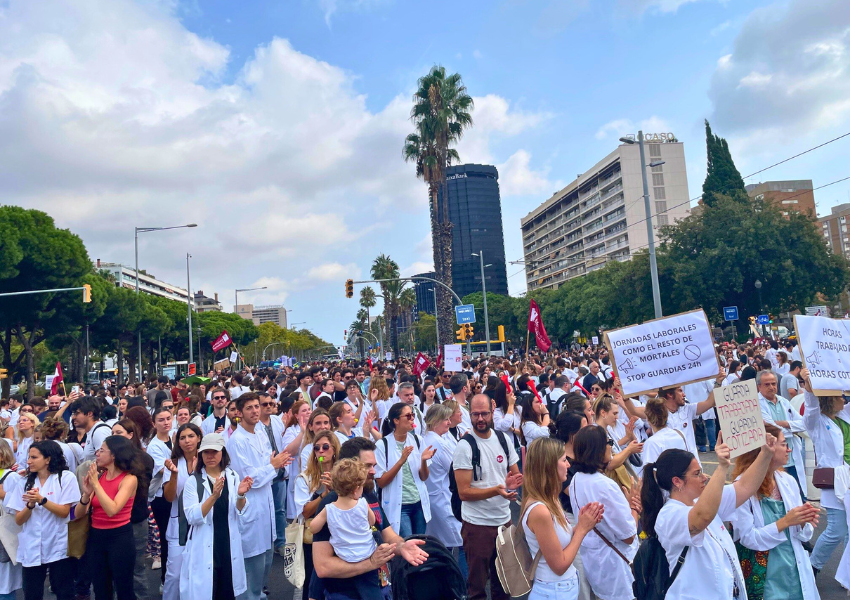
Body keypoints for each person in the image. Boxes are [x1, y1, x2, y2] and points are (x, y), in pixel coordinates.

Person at [640, 433, 777, 600]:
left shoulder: (703, 500)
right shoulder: (668, 516)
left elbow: (744, 487)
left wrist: (765, 454)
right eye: (697, 474)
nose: (704, 477)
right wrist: (722, 467)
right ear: (677, 481)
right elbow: (702, 516)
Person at [311, 437, 430, 599]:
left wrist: (402, 547)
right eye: (368, 466)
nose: (374, 471)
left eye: (374, 465)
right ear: (350, 467)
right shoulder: (333, 503)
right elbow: (323, 566)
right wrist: (371, 563)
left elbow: (389, 536)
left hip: (377, 587)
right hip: (344, 593)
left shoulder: (368, 496)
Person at [729, 423, 819, 600]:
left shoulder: (788, 481)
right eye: (784, 443)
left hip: (794, 571)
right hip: (766, 578)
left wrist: (803, 521)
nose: (789, 449)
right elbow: (747, 538)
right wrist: (785, 522)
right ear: (766, 448)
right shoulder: (741, 489)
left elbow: (804, 536)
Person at [453, 393, 522, 600]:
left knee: (504, 583)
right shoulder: (465, 446)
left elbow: (515, 474)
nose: (480, 419)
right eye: (475, 414)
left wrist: (511, 485)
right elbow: (464, 493)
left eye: (484, 414)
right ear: (469, 415)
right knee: (478, 587)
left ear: (492, 413)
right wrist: (497, 490)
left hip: (504, 523)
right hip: (478, 525)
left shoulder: (502, 439)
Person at [226, 393, 291, 600]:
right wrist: (272, 466)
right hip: (251, 505)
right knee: (251, 566)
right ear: (239, 413)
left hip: (266, 504)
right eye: (249, 408)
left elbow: (266, 466)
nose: (255, 411)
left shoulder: (261, 432)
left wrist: (271, 466)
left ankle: (258, 595)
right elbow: (249, 478)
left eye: (257, 406)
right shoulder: (236, 441)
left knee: (265, 562)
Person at [522, 437, 604, 600]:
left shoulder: (550, 499)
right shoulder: (540, 510)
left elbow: (557, 540)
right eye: (564, 460)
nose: (568, 465)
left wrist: (583, 522)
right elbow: (559, 565)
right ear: (549, 466)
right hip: (553, 591)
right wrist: (581, 529)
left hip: (561, 588)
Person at [179, 433, 254, 600]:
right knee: (207, 592)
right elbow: (192, 517)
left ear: (223, 453)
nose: (210, 456)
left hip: (227, 543)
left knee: (227, 590)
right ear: (201, 455)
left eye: (215, 451)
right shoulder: (193, 481)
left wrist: (241, 495)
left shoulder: (232, 476)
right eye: (206, 452)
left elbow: (239, 510)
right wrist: (213, 496)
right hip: (205, 544)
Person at [568, 425, 638, 600]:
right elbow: (628, 536)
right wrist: (634, 507)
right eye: (609, 442)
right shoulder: (605, 486)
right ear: (598, 450)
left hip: (596, 565)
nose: (611, 446)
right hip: (619, 571)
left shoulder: (576, 479)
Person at [9, 440, 80, 600]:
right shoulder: (24, 482)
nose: (28, 461)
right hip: (31, 546)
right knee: (32, 594)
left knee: (64, 592)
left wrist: (42, 500)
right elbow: (19, 520)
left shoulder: (65, 478)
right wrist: (31, 505)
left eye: (34, 457)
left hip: (59, 545)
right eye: (28, 457)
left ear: (48, 459)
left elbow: (64, 512)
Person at [75, 436, 141, 600]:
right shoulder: (101, 477)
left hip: (120, 538)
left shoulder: (129, 479)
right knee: (101, 589)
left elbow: (113, 509)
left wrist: (96, 485)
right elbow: (78, 513)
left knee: (124, 588)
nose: (97, 453)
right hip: (97, 537)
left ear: (114, 455)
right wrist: (86, 493)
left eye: (102, 450)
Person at [800, 368, 850, 575]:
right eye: (840, 396)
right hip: (834, 482)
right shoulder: (816, 422)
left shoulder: (845, 414)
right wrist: (809, 387)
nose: (844, 399)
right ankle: (812, 567)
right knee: (836, 530)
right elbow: (811, 407)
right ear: (830, 400)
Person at [309, 459, 381, 600]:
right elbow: (372, 521)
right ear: (356, 489)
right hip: (366, 554)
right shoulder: (362, 503)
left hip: (344, 557)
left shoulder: (329, 509)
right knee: (372, 590)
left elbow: (313, 528)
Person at [375, 402, 434, 537]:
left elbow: (423, 477)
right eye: (408, 416)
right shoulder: (382, 445)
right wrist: (401, 461)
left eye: (413, 415)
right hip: (399, 506)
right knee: (407, 544)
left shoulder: (417, 440)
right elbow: (381, 482)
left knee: (420, 544)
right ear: (396, 420)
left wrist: (424, 461)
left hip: (418, 502)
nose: (412, 418)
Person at [294, 430, 341, 600]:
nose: (321, 451)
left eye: (325, 447)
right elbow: (305, 511)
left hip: (339, 534)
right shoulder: (305, 478)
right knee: (313, 582)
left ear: (334, 449)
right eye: (316, 448)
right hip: (314, 538)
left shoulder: (343, 474)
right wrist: (323, 494)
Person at [112, 419, 155, 600]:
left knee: (136, 569)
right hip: (113, 521)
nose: (114, 436)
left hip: (134, 519)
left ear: (131, 435)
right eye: (112, 433)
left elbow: (141, 493)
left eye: (119, 433)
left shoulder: (143, 459)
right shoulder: (109, 458)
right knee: (115, 569)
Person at [421, 404, 465, 575]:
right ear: (435, 421)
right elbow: (456, 468)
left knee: (441, 544)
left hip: (435, 498)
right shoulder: (438, 442)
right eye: (445, 419)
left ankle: (443, 580)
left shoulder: (428, 439)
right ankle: (461, 583)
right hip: (443, 498)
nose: (448, 423)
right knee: (460, 544)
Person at [162, 423, 202, 600]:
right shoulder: (173, 464)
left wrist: (195, 474)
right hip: (179, 524)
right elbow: (169, 497)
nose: (187, 441)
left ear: (199, 437)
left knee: (198, 572)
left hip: (202, 524)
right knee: (175, 574)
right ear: (177, 441)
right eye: (183, 437)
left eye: (191, 436)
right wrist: (174, 475)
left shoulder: (208, 460)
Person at [756, 370, 807, 499]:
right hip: (772, 460)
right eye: (767, 384)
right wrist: (791, 427)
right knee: (777, 498)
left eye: (773, 383)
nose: (771, 387)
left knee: (798, 497)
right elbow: (771, 430)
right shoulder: (756, 405)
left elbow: (804, 423)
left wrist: (783, 423)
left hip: (791, 458)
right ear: (759, 386)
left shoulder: (784, 402)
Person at [147, 405, 175, 587]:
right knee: (167, 539)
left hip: (179, 493)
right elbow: (165, 470)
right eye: (161, 420)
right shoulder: (154, 446)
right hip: (161, 497)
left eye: (168, 418)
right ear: (154, 423)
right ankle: (166, 580)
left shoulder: (177, 438)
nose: (166, 423)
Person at [492, 378, 522, 448]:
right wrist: (511, 405)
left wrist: (514, 430)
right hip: (504, 447)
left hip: (519, 445)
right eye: (508, 393)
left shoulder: (519, 409)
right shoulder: (497, 412)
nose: (511, 395)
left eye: (512, 392)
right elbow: (505, 425)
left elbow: (525, 431)